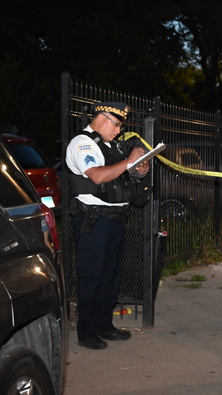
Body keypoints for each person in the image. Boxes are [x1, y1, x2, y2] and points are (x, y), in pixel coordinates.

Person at [66, 102, 151, 350]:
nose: (118, 130)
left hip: (115, 218)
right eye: (116, 124)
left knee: (110, 276)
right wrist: (128, 162)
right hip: (94, 219)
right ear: (102, 118)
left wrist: (139, 170)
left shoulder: (110, 145)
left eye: (121, 125)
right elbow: (97, 176)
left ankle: (104, 325)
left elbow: (118, 177)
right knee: (92, 275)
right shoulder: (83, 144)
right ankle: (87, 331)